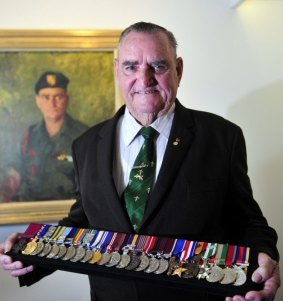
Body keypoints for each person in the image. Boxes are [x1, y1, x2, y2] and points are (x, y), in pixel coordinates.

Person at [0, 22, 280, 301]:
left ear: (178, 69)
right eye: (131, 67)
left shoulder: (221, 137)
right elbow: (85, 220)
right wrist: (30, 252)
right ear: (117, 70)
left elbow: (247, 221)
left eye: (158, 66)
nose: (144, 80)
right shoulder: (86, 145)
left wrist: (265, 261)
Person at [1, 71, 89, 201]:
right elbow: (15, 174)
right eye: (46, 97)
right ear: (38, 101)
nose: (52, 103)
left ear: (67, 98)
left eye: (58, 97)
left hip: (70, 214)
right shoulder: (28, 137)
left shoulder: (85, 136)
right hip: (31, 212)